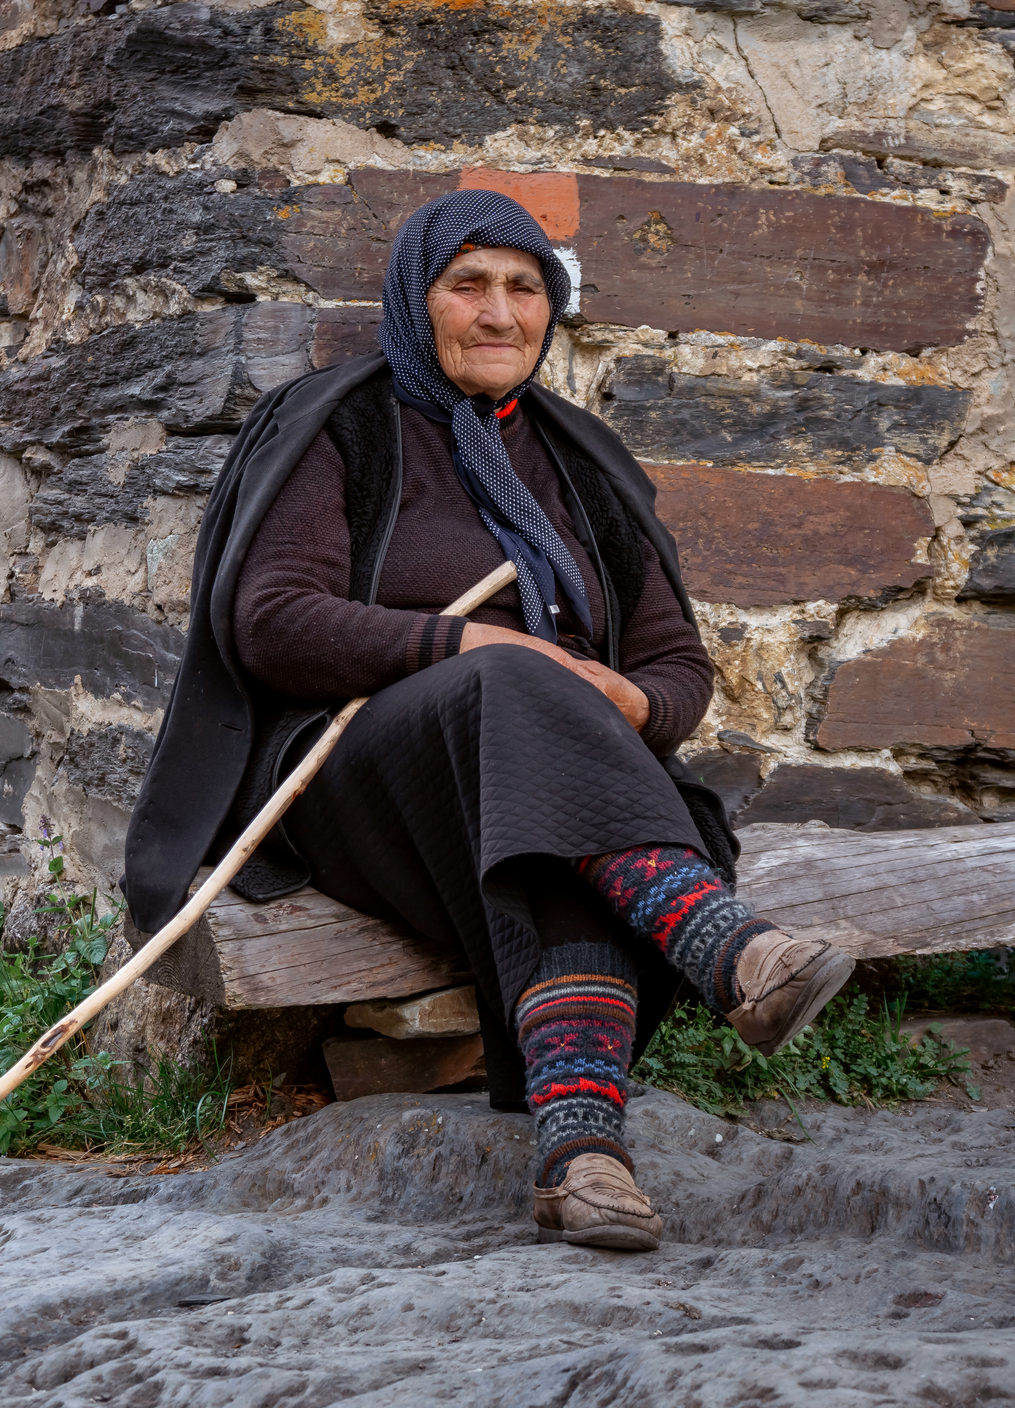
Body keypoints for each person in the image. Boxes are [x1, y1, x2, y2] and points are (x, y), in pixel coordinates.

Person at [123, 190, 852, 1251]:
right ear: (416, 302)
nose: (501, 313)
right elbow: (272, 620)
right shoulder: (340, 428)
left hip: (530, 784)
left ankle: (583, 1158)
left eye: (525, 288)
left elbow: (676, 666)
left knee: (555, 813)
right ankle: (729, 950)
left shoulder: (578, 462)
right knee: (515, 696)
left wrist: (632, 700)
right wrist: (474, 645)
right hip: (353, 772)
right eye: (468, 284)